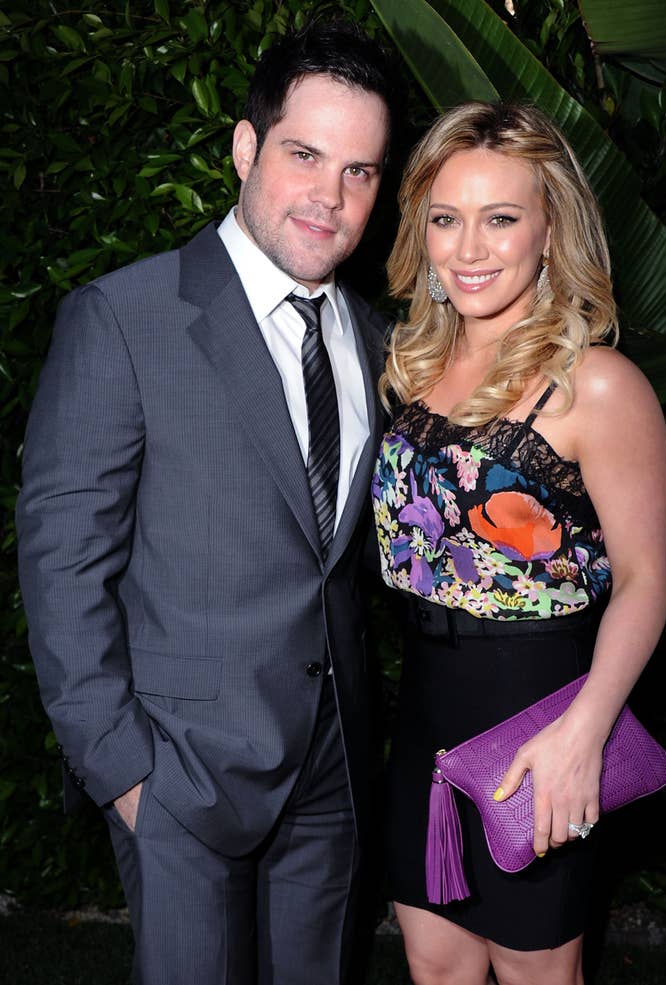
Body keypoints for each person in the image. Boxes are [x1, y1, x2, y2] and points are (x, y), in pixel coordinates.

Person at [16, 19, 395, 985]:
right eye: (305, 155)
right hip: (180, 771)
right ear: (244, 145)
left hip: (333, 770)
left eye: (359, 171)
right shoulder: (123, 318)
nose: (330, 196)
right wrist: (124, 772)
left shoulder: (380, 338)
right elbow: (63, 563)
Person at [371, 102, 666, 985]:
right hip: (424, 719)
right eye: (446, 218)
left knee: (537, 971)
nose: (469, 249)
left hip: (540, 722)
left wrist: (586, 731)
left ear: (550, 229)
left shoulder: (599, 386)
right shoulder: (411, 366)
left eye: (500, 218)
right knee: (436, 966)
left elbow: (647, 579)